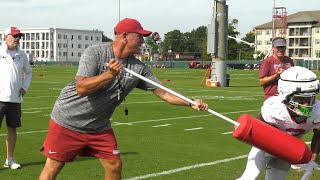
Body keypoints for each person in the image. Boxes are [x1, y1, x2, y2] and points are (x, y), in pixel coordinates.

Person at [38, 18, 208, 180]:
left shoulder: (138, 67)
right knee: (53, 168)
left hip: (99, 126)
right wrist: (110, 75)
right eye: (140, 36)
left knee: (114, 165)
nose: (143, 41)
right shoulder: (95, 53)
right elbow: (81, 88)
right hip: (68, 121)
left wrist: (191, 102)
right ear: (125, 36)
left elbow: (163, 92)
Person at [237, 66, 320, 180]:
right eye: (301, 100)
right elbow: (256, 129)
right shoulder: (273, 109)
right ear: (285, 96)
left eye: (311, 99)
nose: (307, 106)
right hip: (264, 147)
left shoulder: (317, 112)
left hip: (287, 150)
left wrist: (312, 158)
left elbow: (318, 134)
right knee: (249, 178)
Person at [0, 26, 32, 169]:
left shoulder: (22, 55)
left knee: (12, 129)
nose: (17, 39)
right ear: (6, 37)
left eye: (19, 36)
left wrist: (25, 87)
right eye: (15, 36)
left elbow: (29, 72)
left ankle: (10, 160)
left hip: (15, 99)